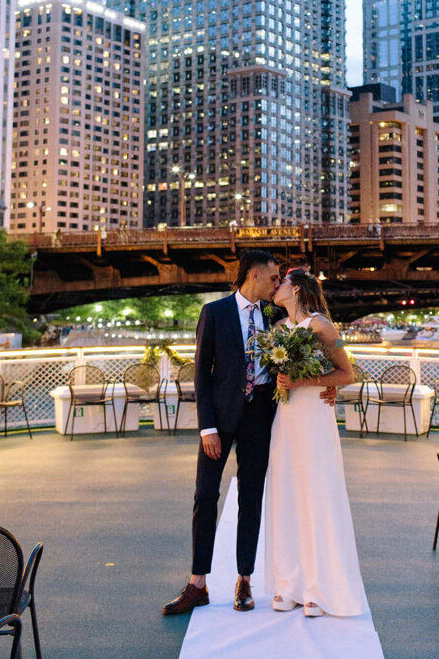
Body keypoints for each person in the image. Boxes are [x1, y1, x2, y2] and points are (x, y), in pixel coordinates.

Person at [162, 251, 337, 615]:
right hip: (220, 421)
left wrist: (325, 383)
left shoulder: (277, 316)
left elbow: (312, 353)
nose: (277, 284)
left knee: (252, 498)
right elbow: (201, 374)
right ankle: (198, 584)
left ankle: (245, 580)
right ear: (254, 275)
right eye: (273, 277)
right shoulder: (215, 312)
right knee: (205, 495)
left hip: (261, 416)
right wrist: (206, 427)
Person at [264, 268, 368, 617]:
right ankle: (287, 585)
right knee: (286, 495)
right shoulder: (278, 330)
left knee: (316, 495)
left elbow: (346, 373)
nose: (276, 286)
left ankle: (317, 588)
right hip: (287, 419)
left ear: (296, 290)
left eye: (283, 283)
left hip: (314, 418)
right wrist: (282, 381)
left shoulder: (322, 326)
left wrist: (305, 380)